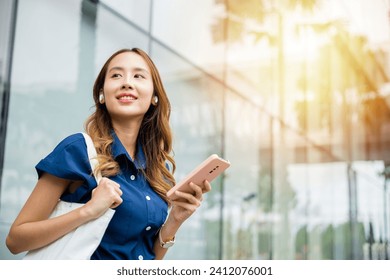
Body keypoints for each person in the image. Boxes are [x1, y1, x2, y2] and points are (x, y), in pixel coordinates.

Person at [6, 48, 211, 260]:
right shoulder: (78, 150)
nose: (127, 82)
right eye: (116, 75)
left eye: (138, 76)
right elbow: (16, 240)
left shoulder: (158, 170)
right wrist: (88, 211)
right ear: (102, 95)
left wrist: (175, 219)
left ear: (154, 97)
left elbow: (148, 259)